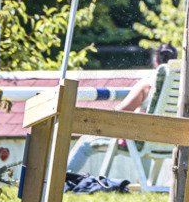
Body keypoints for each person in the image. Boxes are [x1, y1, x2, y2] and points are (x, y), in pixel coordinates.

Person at [66, 43, 178, 173]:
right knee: (145, 133)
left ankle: (64, 178)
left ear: (155, 61)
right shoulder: (179, 85)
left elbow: (121, 113)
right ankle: (144, 182)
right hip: (168, 142)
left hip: (142, 141)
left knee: (85, 142)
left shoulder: (147, 84)